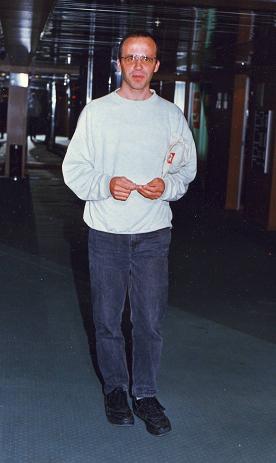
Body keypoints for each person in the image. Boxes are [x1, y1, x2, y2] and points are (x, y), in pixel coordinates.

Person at [62, 31, 197, 436]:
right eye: (130, 58)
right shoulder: (97, 113)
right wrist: (105, 184)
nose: (138, 65)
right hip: (106, 232)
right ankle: (116, 390)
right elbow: (74, 169)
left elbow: (183, 171)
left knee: (149, 321)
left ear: (156, 66)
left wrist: (167, 188)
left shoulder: (171, 116)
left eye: (146, 58)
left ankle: (145, 394)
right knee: (106, 319)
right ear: (119, 63)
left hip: (154, 233)